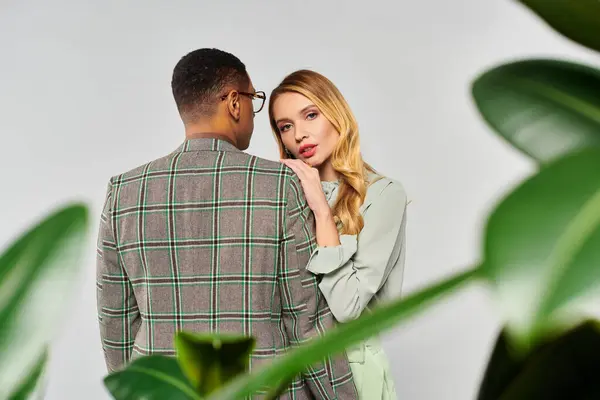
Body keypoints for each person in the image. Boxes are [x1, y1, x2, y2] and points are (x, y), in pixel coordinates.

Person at [96, 48, 357, 399]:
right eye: (253, 99)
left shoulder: (124, 193)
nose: (253, 111)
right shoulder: (280, 185)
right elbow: (306, 320)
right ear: (234, 103)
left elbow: (116, 322)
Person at [269, 69, 408, 399]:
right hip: (288, 372)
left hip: (353, 372)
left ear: (336, 115)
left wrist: (320, 207)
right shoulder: (283, 197)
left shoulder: (384, 195)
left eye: (311, 115)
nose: (299, 135)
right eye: (286, 126)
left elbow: (348, 307)